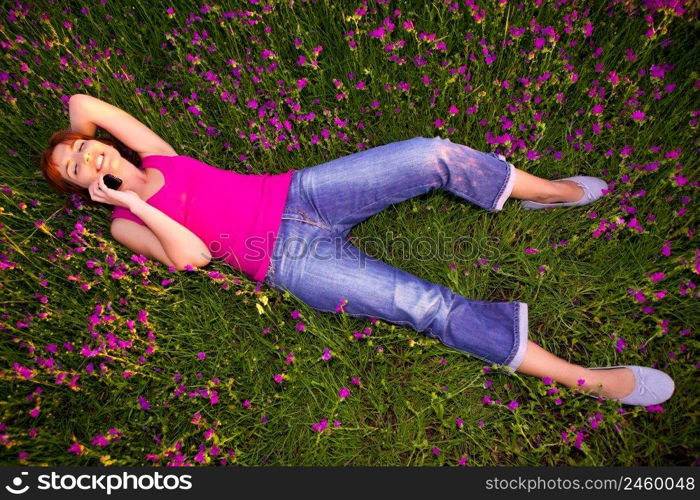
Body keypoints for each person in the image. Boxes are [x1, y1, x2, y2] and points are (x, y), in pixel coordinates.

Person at [40, 94, 675, 407]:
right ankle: (585, 380)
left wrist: (85, 145)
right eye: (73, 170)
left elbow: (83, 104)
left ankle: (554, 193)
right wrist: (132, 202)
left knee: (431, 154)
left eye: (80, 148)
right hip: (287, 261)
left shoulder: (157, 153)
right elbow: (192, 258)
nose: (84, 158)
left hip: (301, 194)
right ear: (82, 191)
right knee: (428, 308)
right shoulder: (126, 224)